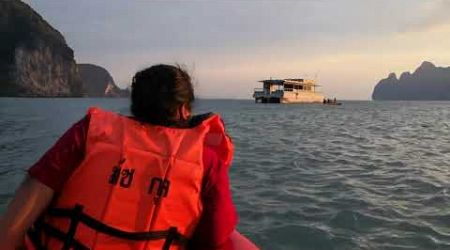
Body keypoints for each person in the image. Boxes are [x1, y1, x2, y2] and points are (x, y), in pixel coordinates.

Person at [0, 64, 240, 250]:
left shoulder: (90, 132)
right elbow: (216, 239)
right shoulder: (206, 161)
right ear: (183, 110)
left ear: (136, 105)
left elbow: (17, 218)